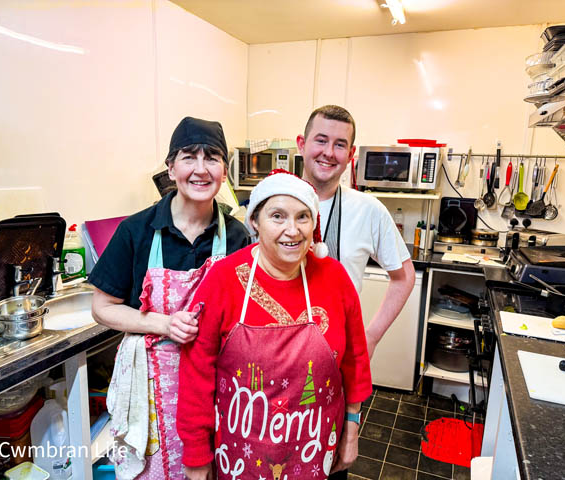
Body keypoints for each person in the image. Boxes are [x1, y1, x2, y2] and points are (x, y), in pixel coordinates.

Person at [176, 171, 372, 480]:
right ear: (254, 221)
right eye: (277, 216)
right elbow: (196, 375)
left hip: (317, 452)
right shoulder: (223, 280)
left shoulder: (334, 278)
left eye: (303, 217)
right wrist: (197, 456)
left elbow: (355, 360)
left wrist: (351, 429)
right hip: (241, 457)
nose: (292, 230)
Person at [90, 116, 250, 479]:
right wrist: (162, 323)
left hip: (217, 389)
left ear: (224, 170)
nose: (200, 169)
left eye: (211, 157)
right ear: (170, 167)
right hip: (151, 393)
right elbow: (101, 308)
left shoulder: (238, 237)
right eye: (188, 157)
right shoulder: (137, 230)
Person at [297, 105, 416, 360]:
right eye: (321, 140)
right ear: (301, 144)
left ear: (351, 154)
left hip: (339, 355)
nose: (328, 153)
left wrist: (371, 337)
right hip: (275, 352)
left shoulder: (368, 209)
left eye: (340, 145)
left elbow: (404, 275)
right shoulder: (269, 204)